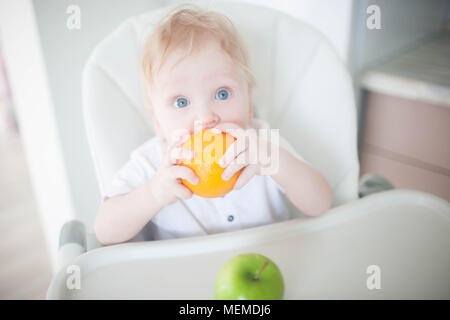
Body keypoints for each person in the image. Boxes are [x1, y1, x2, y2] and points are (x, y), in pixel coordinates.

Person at [94, 4, 332, 245]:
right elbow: (105, 232)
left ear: (249, 103)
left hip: (267, 264)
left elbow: (321, 204)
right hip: (182, 276)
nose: (205, 117)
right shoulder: (152, 164)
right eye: (181, 101)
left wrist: (277, 163)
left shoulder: (263, 146)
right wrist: (153, 194)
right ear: (157, 121)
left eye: (222, 94)